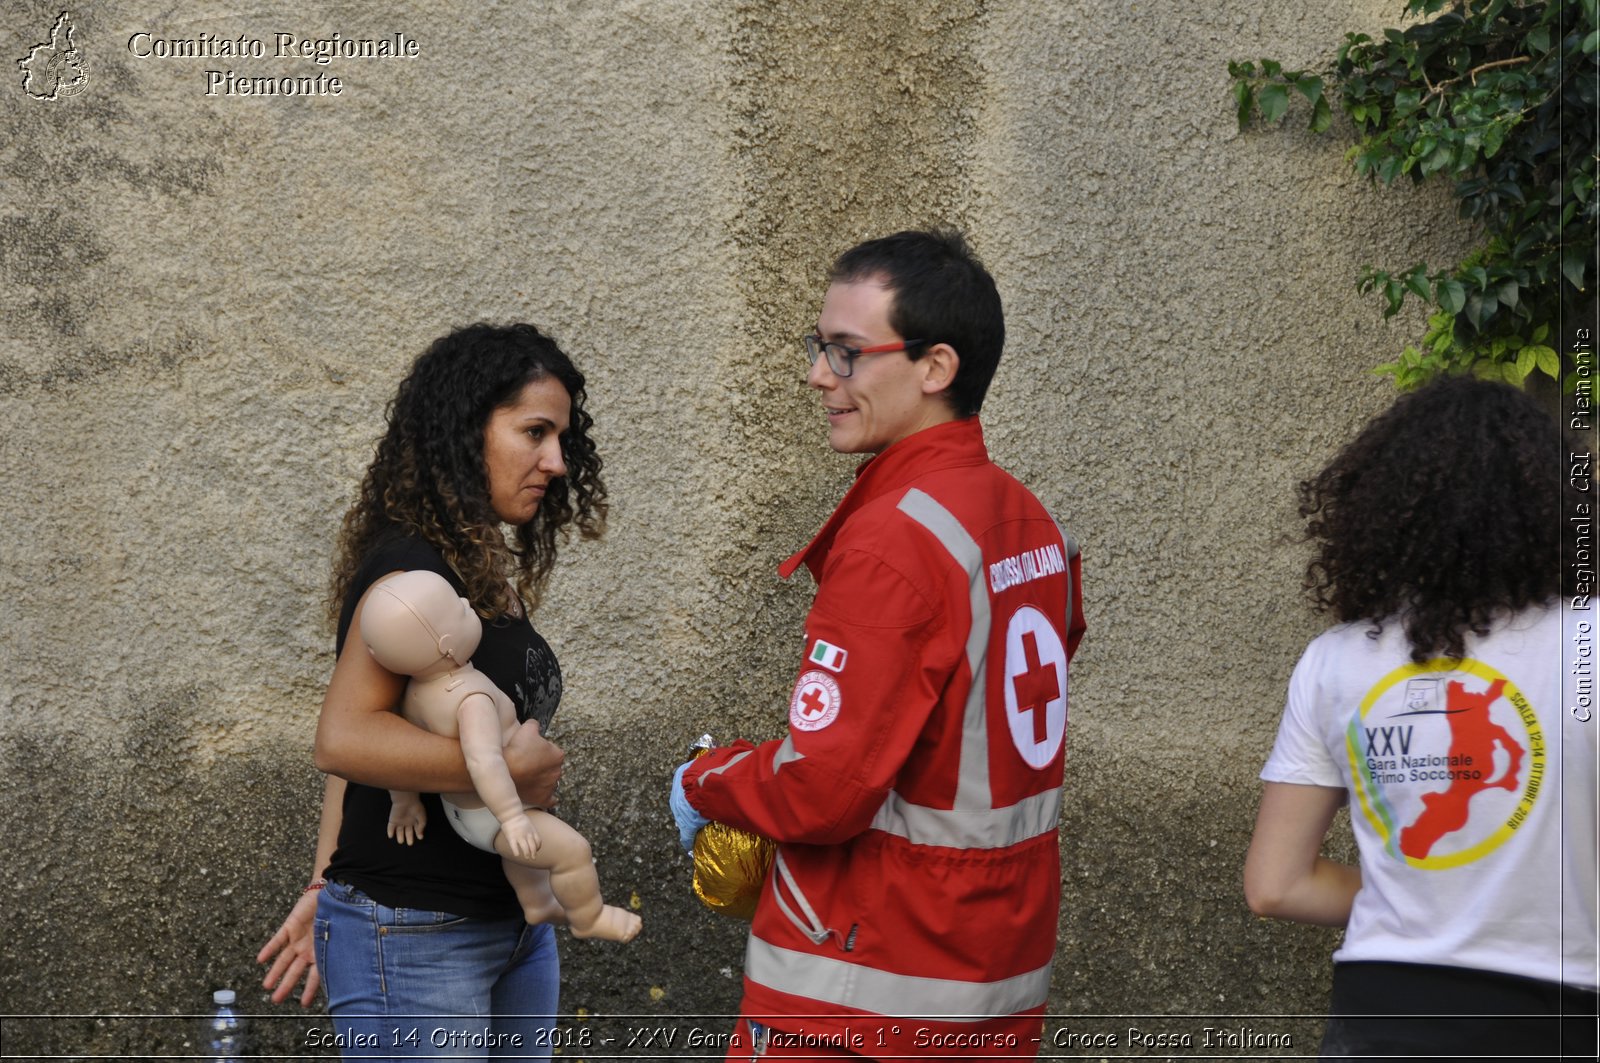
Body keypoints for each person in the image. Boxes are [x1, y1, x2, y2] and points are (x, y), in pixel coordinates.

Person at [669, 229, 1086, 1059]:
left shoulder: (896, 540)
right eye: (819, 347)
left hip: (860, 988)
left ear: (936, 367)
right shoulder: (1030, 519)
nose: (818, 374)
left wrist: (704, 779)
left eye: (848, 353)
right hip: (994, 976)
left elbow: (822, 791)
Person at [256, 322, 609, 1059]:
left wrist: (323, 884)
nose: (556, 462)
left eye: (561, 439)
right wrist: (502, 772)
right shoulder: (411, 574)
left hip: (510, 928)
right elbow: (344, 737)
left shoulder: (474, 567)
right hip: (413, 931)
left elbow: (375, 740)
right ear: (462, 431)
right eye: (534, 432)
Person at [1243, 376, 1598, 1060]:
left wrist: (1426, 901)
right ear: (1555, 503)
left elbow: (1275, 885)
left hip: (1378, 1015)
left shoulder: (1337, 660)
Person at [364, 570, 639, 941]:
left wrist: (404, 800)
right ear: (446, 644)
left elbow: (402, 750)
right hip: (493, 813)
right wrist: (511, 817)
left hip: (462, 811)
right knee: (572, 851)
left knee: (523, 858)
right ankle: (589, 918)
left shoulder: (413, 693)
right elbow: (484, 760)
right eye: (461, 610)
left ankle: (537, 901)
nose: (467, 604)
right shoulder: (470, 699)